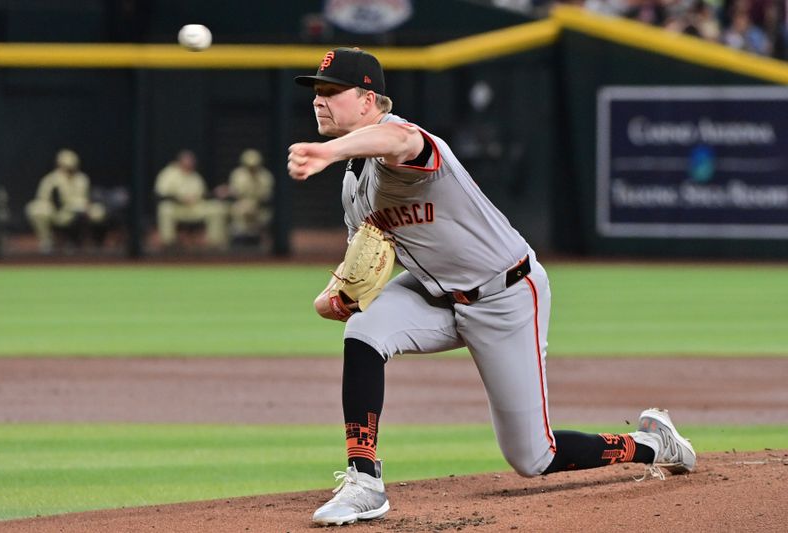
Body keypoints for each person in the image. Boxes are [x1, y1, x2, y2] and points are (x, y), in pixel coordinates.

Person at [288, 47, 697, 527]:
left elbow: (397, 139)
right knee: (363, 332)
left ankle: (652, 444)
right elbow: (363, 265)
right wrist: (331, 299)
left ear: (370, 100)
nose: (319, 100)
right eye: (316, 91)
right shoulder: (353, 184)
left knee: (533, 457)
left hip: (505, 294)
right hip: (433, 293)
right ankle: (364, 481)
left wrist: (328, 150)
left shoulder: (407, 142)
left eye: (332, 91)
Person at [25, 149, 107, 253]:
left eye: (71, 167)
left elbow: (86, 199)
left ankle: (95, 243)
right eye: (66, 166)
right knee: (35, 209)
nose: (69, 169)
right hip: (58, 212)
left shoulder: (82, 179)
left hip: (78, 211)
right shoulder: (51, 180)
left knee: (99, 211)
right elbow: (42, 199)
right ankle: (47, 241)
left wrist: (82, 206)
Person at [154, 150, 228, 250]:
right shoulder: (169, 173)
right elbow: (160, 195)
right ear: (180, 161)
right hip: (177, 208)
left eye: (192, 161)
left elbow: (203, 195)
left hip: (195, 208)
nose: (190, 163)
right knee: (165, 208)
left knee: (216, 208)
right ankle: (168, 243)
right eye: (187, 161)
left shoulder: (195, 176)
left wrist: (215, 193)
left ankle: (214, 243)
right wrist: (180, 199)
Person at [214, 149, 274, 243]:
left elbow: (266, 196)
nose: (252, 168)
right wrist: (226, 191)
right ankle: (236, 238)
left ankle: (253, 237)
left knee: (250, 210)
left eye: (254, 166)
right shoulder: (238, 174)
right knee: (225, 209)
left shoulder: (265, 176)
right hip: (239, 204)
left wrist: (254, 201)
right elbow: (235, 191)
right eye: (249, 166)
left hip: (259, 206)